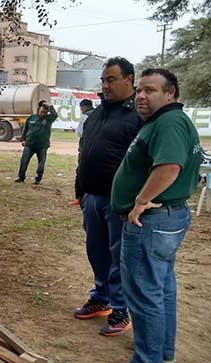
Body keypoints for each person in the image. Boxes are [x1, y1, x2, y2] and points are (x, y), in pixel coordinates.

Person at [107, 69, 200, 363]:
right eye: (140, 91)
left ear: (170, 93)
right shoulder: (165, 122)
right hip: (166, 219)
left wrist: (140, 201)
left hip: (152, 221)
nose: (141, 96)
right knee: (161, 288)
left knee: (145, 291)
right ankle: (162, 351)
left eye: (151, 90)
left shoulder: (170, 122)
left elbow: (170, 167)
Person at [73, 57, 143, 336]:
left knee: (119, 258)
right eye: (103, 80)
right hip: (92, 197)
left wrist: (133, 200)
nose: (105, 85)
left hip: (119, 202)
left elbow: (143, 162)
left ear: (129, 79)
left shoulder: (138, 116)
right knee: (97, 252)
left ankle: (120, 310)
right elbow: (84, 153)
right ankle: (100, 297)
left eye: (111, 79)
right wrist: (81, 192)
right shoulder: (95, 115)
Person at [15, 101, 58, 184]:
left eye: (45, 112)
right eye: (41, 112)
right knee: (24, 160)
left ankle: (38, 179)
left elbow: (55, 115)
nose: (43, 114)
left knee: (41, 163)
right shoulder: (31, 118)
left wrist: (50, 107)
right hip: (29, 144)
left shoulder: (48, 119)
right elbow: (25, 129)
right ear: (39, 110)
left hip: (42, 145)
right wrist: (23, 139)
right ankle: (21, 177)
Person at [70, 98, 97, 206]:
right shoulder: (99, 113)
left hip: (86, 149)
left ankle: (79, 197)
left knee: (81, 172)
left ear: (84, 107)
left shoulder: (86, 116)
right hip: (97, 149)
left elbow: (80, 133)